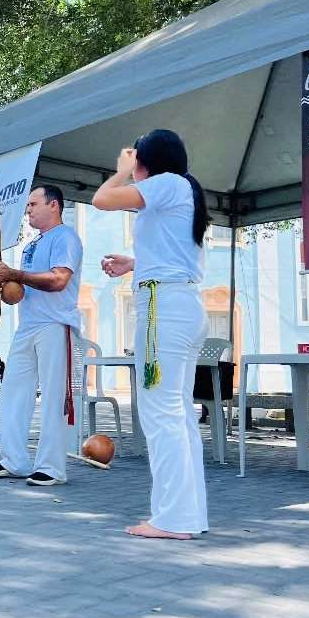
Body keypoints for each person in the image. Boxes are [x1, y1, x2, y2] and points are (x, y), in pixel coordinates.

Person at [93, 129, 210, 541]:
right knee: (176, 414)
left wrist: (122, 171)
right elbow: (171, 252)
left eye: (136, 156)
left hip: (165, 311)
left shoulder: (167, 183)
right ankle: (187, 515)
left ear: (148, 160)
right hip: (177, 306)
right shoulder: (180, 190)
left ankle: (173, 519)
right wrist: (134, 263)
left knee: (161, 414)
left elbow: (102, 199)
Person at [0, 184, 83, 486]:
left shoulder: (66, 237)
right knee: (13, 391)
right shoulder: (30, 246)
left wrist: (15, 274)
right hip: (27, 325)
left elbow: (59, 280)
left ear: (54, 205)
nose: (28, 210)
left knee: (54, 397)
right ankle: (14, 460)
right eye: (27, 206)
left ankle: (52, 468)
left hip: (56, 323)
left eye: (33, 204)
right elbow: (17, 295)